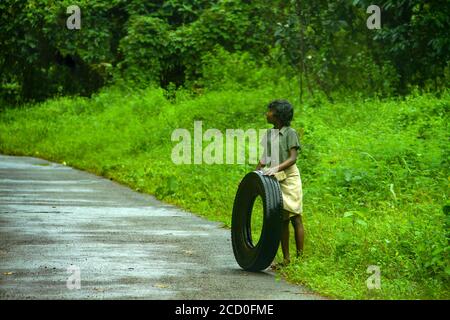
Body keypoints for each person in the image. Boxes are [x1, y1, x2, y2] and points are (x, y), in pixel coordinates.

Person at [256, 99, 304, 268]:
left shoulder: (290, 133)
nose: (266, 113)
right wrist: (254, 175)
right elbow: (265, 158)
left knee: (296, 217)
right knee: (282, 219)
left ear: (278, 115)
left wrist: (275, 168)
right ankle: (286, 259)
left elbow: (292, 158)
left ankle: (300, 259)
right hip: (276, 177)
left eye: (269, 110)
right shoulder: (269, 134)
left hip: (290, 177)